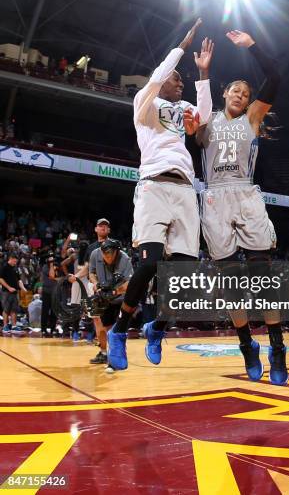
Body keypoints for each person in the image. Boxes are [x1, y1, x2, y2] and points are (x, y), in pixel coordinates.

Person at [107, 19, 213, 371]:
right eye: (176, 77)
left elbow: (206, 116)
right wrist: (182, 45)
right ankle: (120, 331)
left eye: (181, 79)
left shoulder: (182, 111)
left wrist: (202, 75)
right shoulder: (145, 103)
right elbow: (159, 74)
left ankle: (157, 327)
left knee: (185, 274)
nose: (178, 80)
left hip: (185, 189)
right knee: (151, 263)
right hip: (153, 185)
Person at [195, 29, 288, 385]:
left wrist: (252, 46)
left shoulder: (252, 118)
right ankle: (247, 344)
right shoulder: (206, 122)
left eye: (247, 93)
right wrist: (203, 72)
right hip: (215, 196)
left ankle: (277, 348)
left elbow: (276, 76)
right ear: (224, 94)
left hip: (246, 195)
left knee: (262, 278)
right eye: (236, 90)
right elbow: (197, 127)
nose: (242, 95)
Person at [87, 239, 133, 366]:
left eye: (110, 256)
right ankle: (103, 353)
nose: (108, 258)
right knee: (103, 326)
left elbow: (130, 283)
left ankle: (117, 355)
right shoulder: (95, 254)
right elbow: (91, 272)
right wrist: (96, 284)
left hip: (119, 298)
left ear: (116, 253)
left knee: (116, 329)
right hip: (102, 296)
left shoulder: (124, 259)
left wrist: (115, 291)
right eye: (105, 256)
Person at [68, 218, 111, 344]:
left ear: (109, 229)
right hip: (94, 285)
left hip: (110, 285)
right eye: (100, 226)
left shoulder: (114, 245)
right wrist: (76, 276)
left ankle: (111, 346)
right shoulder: (91, 247)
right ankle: (102, 346)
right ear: (96, 229)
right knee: (96, 317)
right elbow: (88, 268)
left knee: (109, 318)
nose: (103, 228)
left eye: (106, 226)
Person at [0, 253, 27, 332]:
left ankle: (14, 326)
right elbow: (0, 279)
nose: (15, 263)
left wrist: (23, 288)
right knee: (6, 309)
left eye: (16, 262)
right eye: (14, 261)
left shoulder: (15, 268)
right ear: (10, 258)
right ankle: (5, 326)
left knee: (14, 309)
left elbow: (19, 280)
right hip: (6, 292)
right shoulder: (4, 267)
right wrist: (9, 287)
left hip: (15, 292)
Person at [40, 253, 58, 337]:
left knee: (54, 311)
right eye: (50, 260)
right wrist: (51, 265)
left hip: (55, 291)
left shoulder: (57, 266)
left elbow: (57, 277)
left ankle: (52, 328)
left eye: (53, 260)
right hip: (46, 291)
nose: (52, 261)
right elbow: (52, 275)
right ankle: (43, 329)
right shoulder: (45, 267)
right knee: (45, 311)